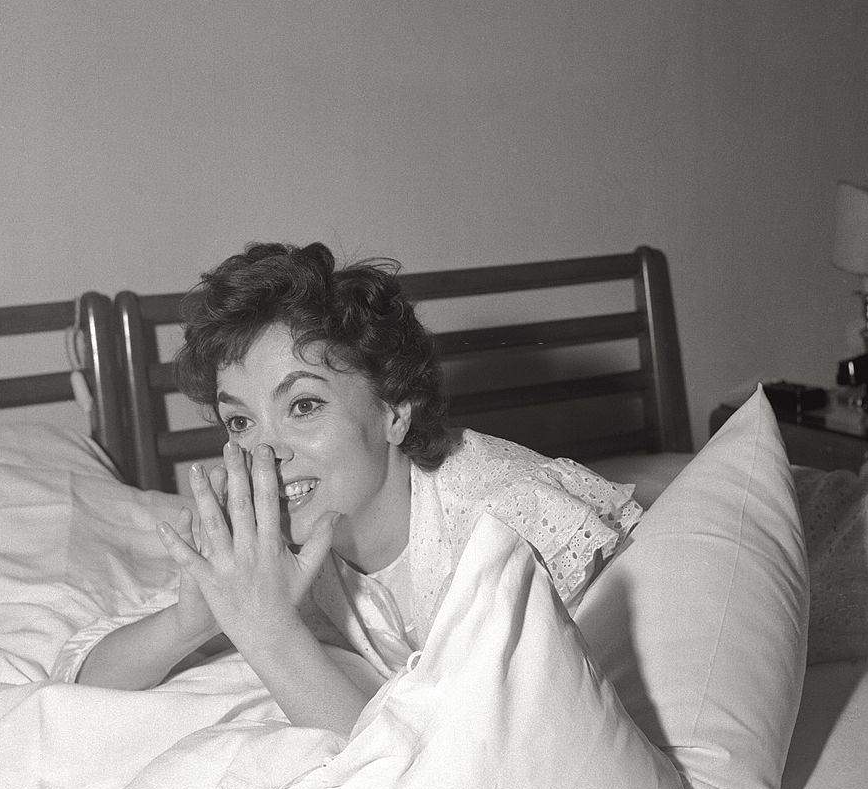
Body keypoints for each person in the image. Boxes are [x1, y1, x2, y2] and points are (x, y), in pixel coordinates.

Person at [67, 241, 643, 735]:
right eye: (240, 422)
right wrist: (193, 621)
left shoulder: (508, 526)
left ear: (394, 412)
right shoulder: (271, 534)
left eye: (304, 405)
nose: (265, 453)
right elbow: (82, 677)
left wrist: (268, 630)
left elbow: (470, 768)